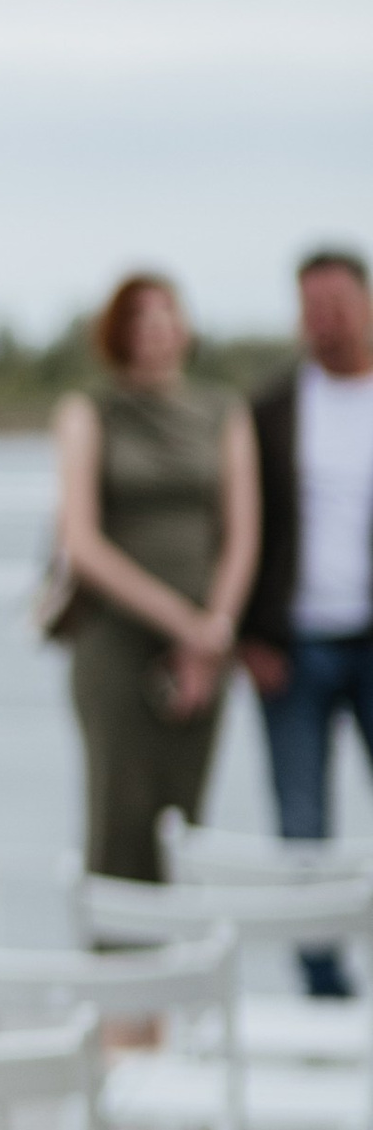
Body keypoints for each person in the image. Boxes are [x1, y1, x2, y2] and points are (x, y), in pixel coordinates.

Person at [53, 273, 259, 887]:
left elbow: (241, 535)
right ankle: (115, 969)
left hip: (204, 650)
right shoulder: (89, 412)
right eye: (139, 319)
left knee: (185, 817)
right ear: (117, 332)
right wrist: (184, 624)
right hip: (115, 642)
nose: (156, 330)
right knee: (119, 816)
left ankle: (184, 971)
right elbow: (81, 543)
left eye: (167, 314)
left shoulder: (223, 410)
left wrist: (212, 634)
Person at [240, 244, 373, 991]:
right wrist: (247, 635)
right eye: (310, 307)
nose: (323, 322)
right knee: (301, 831)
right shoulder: (271, 409)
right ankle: (324, 994)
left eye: (336, 305)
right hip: (292, 648)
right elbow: (241, 526)